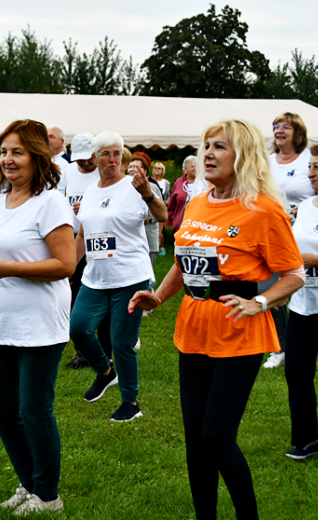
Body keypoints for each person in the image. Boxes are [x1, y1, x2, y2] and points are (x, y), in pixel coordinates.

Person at [130, 119, 304, 520]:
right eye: (206, 145)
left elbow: (293, 273)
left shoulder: (264, 209)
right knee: (195, 439)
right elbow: (183, 263)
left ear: (242, 156)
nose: (207, 153)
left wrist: (260, 303)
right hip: (193, 328)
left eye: (219, 147)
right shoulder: (197, 201)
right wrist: (157, 296)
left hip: (240, 331)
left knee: (217, 437)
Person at [0, 119, 75, 515]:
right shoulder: (0, 200)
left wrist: (7, 269)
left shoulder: (51, 202)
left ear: (38, 157)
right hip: (1, 320)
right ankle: (28, 483)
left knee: (33, 408)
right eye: (5, 151)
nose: (8, 159)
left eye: (18, 152)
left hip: (40, 321)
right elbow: (2, 256)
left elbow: (65, 264)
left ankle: (48, 495)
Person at [70, 132, 167, 422]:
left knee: (122, 341)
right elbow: (83, 235)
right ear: (94, 158)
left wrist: (147, 193)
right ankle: (105, 372)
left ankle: (131, 403)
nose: (112, 160)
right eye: (106, 154)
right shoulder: (89, 192)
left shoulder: (135, 186)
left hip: (129, 276)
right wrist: (67, 269)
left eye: (117, 154)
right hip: (96, 277)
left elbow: (162, 216)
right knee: (78, 328)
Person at [283, 144, 318, 462]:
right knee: (297, 371)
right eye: (309, 166)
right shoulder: (306, 207)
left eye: (317, 167)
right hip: (303, 303)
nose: (309, 173)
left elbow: (310, 255)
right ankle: (307, 440)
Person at [263, 112, 314, 370]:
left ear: (298, 132)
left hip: (306, 232)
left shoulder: (309, 159)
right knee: (271, 290)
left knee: (303, 286)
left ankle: (301, 342)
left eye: (285, 126)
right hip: (273, 231)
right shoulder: (267, 161)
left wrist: (303, 209)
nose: (279, 130)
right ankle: (279, 347)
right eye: (275, 126)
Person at [62, 133, 100, 369]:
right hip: (74, 239)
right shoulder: (69, 171)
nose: (84, 164)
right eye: (79, 160)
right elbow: (63, 198)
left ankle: (104, 349)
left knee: (96, 294)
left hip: (97, 240)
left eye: (88, 159)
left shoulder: (103, 173)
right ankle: (83, 352)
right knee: (75, 294)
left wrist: (88, 207)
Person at [166, 155, 198, 233]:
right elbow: (172, 204)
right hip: (181, 223)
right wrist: (168, 219)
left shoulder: (204, 182)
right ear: (185, 169)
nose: (196, 169)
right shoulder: (178, 182)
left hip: (198, 222)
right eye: (193, 166)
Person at [48, 126, 70, 194]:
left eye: (51, 137)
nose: (47, 140)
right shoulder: (39, 162)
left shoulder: (70, 161)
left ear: (62, 141)